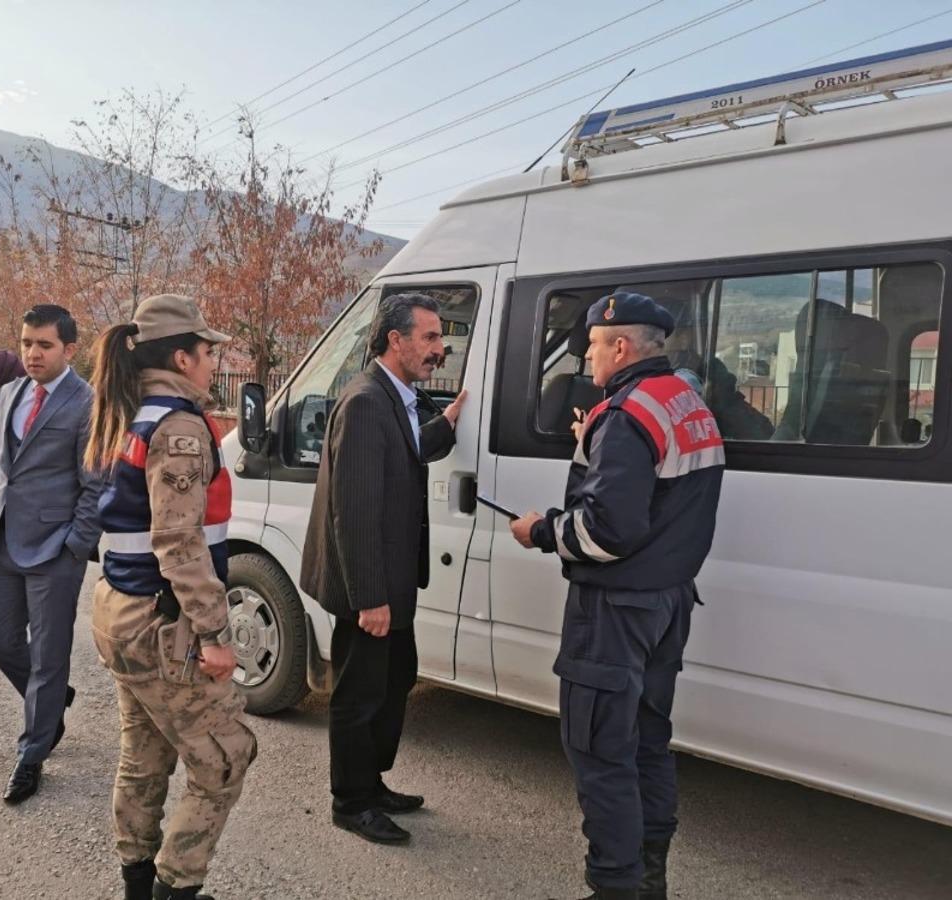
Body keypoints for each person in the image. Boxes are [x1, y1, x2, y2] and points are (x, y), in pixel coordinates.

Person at [508, 292, 725, 900]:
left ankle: (616, 887)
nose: (590, 359)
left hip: (616, 611)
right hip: (668, 603)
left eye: (595, 347)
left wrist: (541, 531)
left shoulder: (627, 416)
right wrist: (596, 439)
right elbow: (657, 497)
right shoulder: (685, 403)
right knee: (647, 742)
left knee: (601, 751)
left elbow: (607, 528)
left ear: (621, 346)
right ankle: (649, 877)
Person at [85, 294, 256, 900]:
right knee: (225, 759)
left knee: (145, 755)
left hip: (121, 611)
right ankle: (175, 887)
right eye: (209, 352)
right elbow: (180, 543)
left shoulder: (129, 413)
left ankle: (138, 885)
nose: (215, 362)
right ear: (183, 358)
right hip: (163, 623)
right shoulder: (180, 428)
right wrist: (216, 635)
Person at [300, 292, 467, 846]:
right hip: (367, 586)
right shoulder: (367, 401)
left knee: (393, 681)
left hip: (390, 582)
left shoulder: (397, 397)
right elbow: (356, 509)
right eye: (430, 338)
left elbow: (408, 450)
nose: (439, 349)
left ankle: (370, 783)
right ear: (395, 341)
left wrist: (446, 422)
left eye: (440, 338)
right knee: (359, 694)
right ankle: (350, 802)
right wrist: (371, 597)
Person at [0, 304, 103, 805]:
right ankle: (51, 704)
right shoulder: (8, 393)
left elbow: (96, 485)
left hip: (54, 550)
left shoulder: (87, 402)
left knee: (49, 656)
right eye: (26, 343)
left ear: (69, 349)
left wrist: (74, 547)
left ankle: (33, 752)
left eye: (43, 345)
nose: (32, 353)